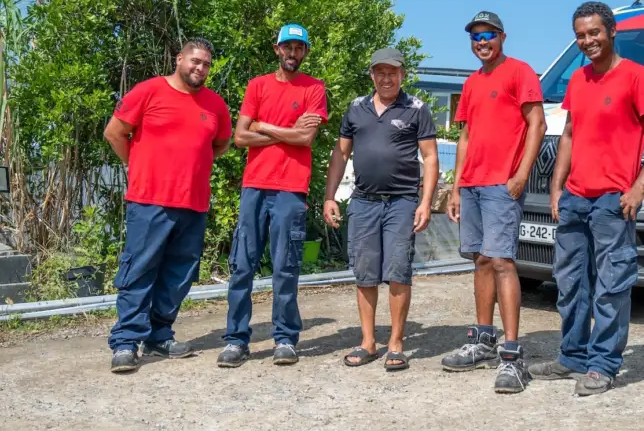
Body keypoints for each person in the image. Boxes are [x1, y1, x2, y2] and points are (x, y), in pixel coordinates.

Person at [528, 1, 644, 396]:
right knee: (571, 283)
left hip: (614, 201)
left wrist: (639, 186)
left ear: (612, 32)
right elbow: (570, 135)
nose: (587, 41)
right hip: (576, 198)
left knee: (612, 285)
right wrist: (556, 187)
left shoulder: (636, 77)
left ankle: (603, 364)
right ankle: (572, 355)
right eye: (580, 35)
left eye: (594, 32)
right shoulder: (578, 80)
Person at [104, 38, 232, 374]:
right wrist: (139, 166)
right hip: (149, 201)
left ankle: (159, 335)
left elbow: (219, 145)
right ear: (179, 59)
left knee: (180, 274)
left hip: (193, 203)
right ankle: (127, 341)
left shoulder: (215, 105)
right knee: (139, 270)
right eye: (194, 61)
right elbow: (115, 133)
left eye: (205, 63)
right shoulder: (148, 91)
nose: (199, 68)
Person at [442, 11, 546, 393]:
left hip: (503, 184)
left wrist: (521, 173)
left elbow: (538, 123)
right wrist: (455, 186)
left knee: (502, 261)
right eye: (474, 36)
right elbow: (466, 136)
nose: (481, 42)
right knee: (481, 259)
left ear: (502, 36)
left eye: (487, 35)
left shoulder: (520, 72)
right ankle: (483, 340)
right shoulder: (471, 83)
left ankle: (512, 355)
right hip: (471, 184)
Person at [217, 24, 327, 368]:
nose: (292, 53)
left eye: (299, 48)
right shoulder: (257, 86)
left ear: (305, 52)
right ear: (276, 49)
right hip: (255, 187)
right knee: (242, 266)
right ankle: (236, 339)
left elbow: (305, 140)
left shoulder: (314, 88)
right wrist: (286, 132)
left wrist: (262, 126)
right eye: (287, 47)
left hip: (291, 189)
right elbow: (239, 137)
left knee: (285, 267)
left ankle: (284, 338)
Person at [323, 48, 439, 371]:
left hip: (401, 203)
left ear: (402, 74)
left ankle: (396, 344)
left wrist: (425, 202)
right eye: (380, 72)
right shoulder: (355, 109)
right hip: (363, 202)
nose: (387, 78)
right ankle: (367, 342)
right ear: (372, 75)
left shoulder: (417, 109)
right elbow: (340, 155)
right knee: (365, 273)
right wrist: (329, 196)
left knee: (399, 271)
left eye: (393, 72)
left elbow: (430, 158)